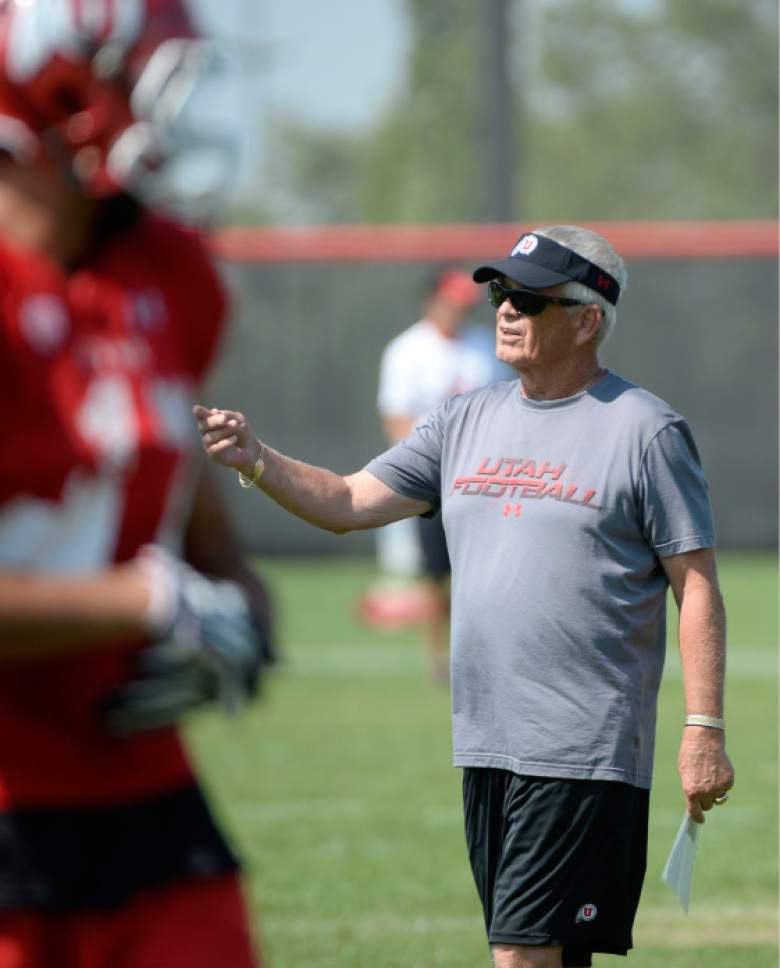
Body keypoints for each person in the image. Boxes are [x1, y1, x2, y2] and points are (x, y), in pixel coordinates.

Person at [194, 224, 735, 968]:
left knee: (518, 953)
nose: (505, 309)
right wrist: (257, 460)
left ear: (588, 320)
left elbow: (697, 586)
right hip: (485, 740)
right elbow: (350, 500)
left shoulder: (646, 430)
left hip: (582, 747)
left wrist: (703, 729)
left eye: (530, 299)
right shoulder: (462, 419)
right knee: (546, 954)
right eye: (501, 293)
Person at [0, 2, 272, 966]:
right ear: (59, 90)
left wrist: (240, 611)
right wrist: (147, 601)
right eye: (145, 72)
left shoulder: (170, 275)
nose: (175, 103)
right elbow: (160, 585)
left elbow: (200, 533)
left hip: (142, 800)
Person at [364, 266, 510, 682]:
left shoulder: (485, 345)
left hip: (483, 479)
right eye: (451, 302)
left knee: (485, 572)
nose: (458, 310)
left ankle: (485, 654)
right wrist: (422, 472)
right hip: (432, 480)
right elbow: (396, 418)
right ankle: (438, 660)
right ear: (433, 301)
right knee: (434, 573)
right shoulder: (407, 350)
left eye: (464, 303)